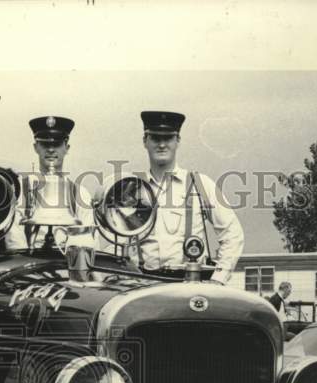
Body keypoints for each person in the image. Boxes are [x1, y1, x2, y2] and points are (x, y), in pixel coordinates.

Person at [99, 111, 244, 282]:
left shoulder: (200, 185)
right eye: (155, 138)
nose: (161, 145)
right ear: (145, 141)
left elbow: (233, 234)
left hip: (190, 285)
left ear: (178, 141)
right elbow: (119, 242)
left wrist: (219, 278)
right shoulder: (132, 188)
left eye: (167, 138)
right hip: (143, 286)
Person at [5, 116, 96, 253]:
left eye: (57, 144)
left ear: (67, 147)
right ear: (36, 147)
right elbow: (14, 241)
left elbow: (87, 241)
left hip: (67, 267)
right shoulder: (18, 190)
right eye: (45, 144)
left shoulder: (80, 194)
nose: (51, 150)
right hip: (26, 267)